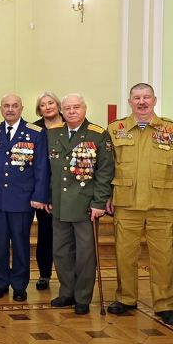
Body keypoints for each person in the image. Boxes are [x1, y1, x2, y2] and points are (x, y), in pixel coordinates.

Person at [104, 84, 173, 326]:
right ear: (130, 101)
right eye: (137, 98)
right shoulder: (115, 129)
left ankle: (165, 304)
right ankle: (126, 298)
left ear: (154, 100)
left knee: (163, 258)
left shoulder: (171, 129)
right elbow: (107, 167)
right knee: (124, 255)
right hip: (126, 203)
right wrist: (107, 195)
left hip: (161, 204)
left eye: (146, 98)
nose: (142, 102)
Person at [46, 94, 114, 315]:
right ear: (61, 111)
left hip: (86, 206)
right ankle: (67, 292)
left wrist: (99, 202)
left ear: (85, 108)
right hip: (59, 204)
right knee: (61, 251)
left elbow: (105, 172)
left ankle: (83, 297)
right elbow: (46, 170)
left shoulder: (98, 134)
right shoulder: (53, 133)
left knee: (85, 254)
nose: (72, 111)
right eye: (67, 108)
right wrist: (48, 197)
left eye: (76, 107)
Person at [0, 94, 49, 302]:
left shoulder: (35, 133)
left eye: (14, 106)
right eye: (6, 106)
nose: (10, 109)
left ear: (21, 108)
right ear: (1, 108)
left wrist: (39, 195)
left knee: (20, 244)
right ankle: (0, 283)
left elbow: (41, 168)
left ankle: (19, 285)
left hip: (22, 200)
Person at [32, 91, 62, 291]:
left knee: (66, 236)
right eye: (43, 104)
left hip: (67, 190)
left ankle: (69, 277)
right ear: (39, 109)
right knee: (45, 234)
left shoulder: (71, 125)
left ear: (58, 105)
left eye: (51, 103)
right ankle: (44, 274)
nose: (48, 107)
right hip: (42, 190)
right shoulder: (34, 129)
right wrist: (43, 194)